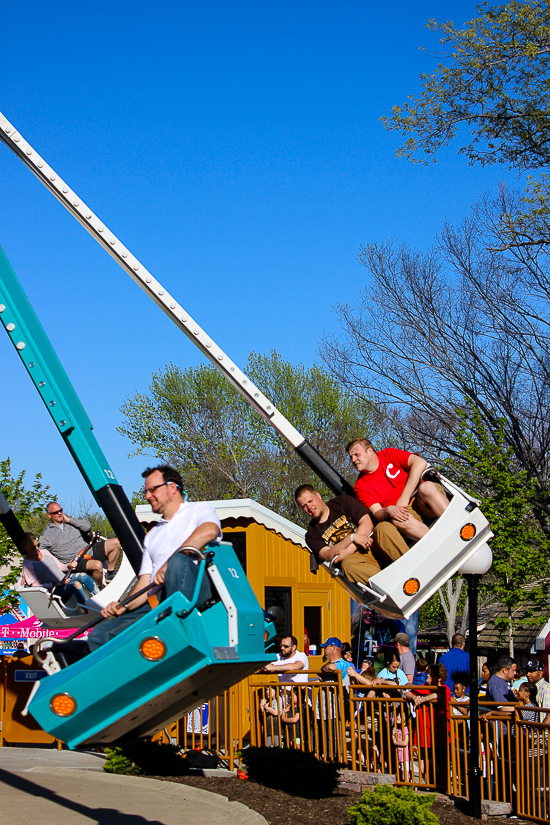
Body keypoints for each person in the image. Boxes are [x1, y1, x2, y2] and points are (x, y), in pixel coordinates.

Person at [87, 465, 221, 652]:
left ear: (172, 488)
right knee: (99, 636)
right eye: (146, 491)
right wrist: (123, 605)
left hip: (195, 586)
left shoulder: (197, 510)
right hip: (159, 600)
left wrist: (169, 563)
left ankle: (175, 628)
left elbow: (210, 530)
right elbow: (144, 583)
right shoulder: (152, 535)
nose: (147, 496)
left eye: (152, 490)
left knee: (178, 561)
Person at [295, 486, 409, 587]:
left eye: (310, 501)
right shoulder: (311, 534)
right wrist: (351, 538)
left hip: (373, 543)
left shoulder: (342, 502)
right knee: (347, 565)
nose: (309, 507)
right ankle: (391, 587)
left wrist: (350, 547)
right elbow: (328, 554)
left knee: (383, 527)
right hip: (358, 561)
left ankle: (410, 565)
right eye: (304, 506)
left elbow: (367, 524)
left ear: (318, 495)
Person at [347, 439, 449, 542]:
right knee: (398, 520)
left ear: (369, 452)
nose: (353, 460)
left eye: (356, 455)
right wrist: (388, 509)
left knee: (427, 487)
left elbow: (420, 462)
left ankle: (454, 523)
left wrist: (404, 497)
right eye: (351, 457)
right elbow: (377, 512)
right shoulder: (360, 486)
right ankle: (438, 541)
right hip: (405, 513)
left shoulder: (388, 454)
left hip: (422, 498)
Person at [40, 502, 121, 586]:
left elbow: (87, 526)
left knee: (116, 542)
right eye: (56, 512)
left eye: (61, 510)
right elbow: (40, 552)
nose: (59, 513)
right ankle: (100, 586)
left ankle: (110, 573)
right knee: (97, 565)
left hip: (88, 550)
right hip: (75, 561)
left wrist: (68, 520)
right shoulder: (47, 534)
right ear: (49, 515)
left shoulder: (71, 523)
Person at [22, 532, 89, 606]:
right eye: (33, 547)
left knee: (83, 576)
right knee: (76, 585)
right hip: (55, 589)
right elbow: (35, 585)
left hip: (64, 579)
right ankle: (87, 609)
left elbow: (60, 566)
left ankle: (97, 598)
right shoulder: (27, 565)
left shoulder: (45, 552)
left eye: (38, 545)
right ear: (26, 549)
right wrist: (56, 584)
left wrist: (69, 565)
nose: (37, 549)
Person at [525, 658, 550, 726]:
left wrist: (542, 730)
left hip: (542, 732)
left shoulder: (546, 688)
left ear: (541, 673)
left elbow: (545, 712)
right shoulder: (529, 687)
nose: (528, 674)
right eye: (527, 671)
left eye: (531, 671)